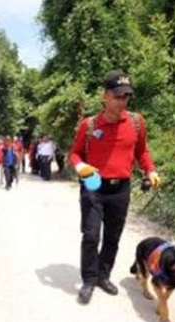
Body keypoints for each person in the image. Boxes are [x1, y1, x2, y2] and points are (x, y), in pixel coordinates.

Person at [69, 70, 161, 304]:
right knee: (91, 235)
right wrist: (81, 168)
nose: (122, 101)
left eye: (126, 97)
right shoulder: (88, 125)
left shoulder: (136, 122)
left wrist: (150, 169)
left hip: (121, 189)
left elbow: (142, 151)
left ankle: (103, 276)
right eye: (118, 96)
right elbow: (75, 154)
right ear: (105, 96)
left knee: (113, 236)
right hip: (93, 187)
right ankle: (89, 280)